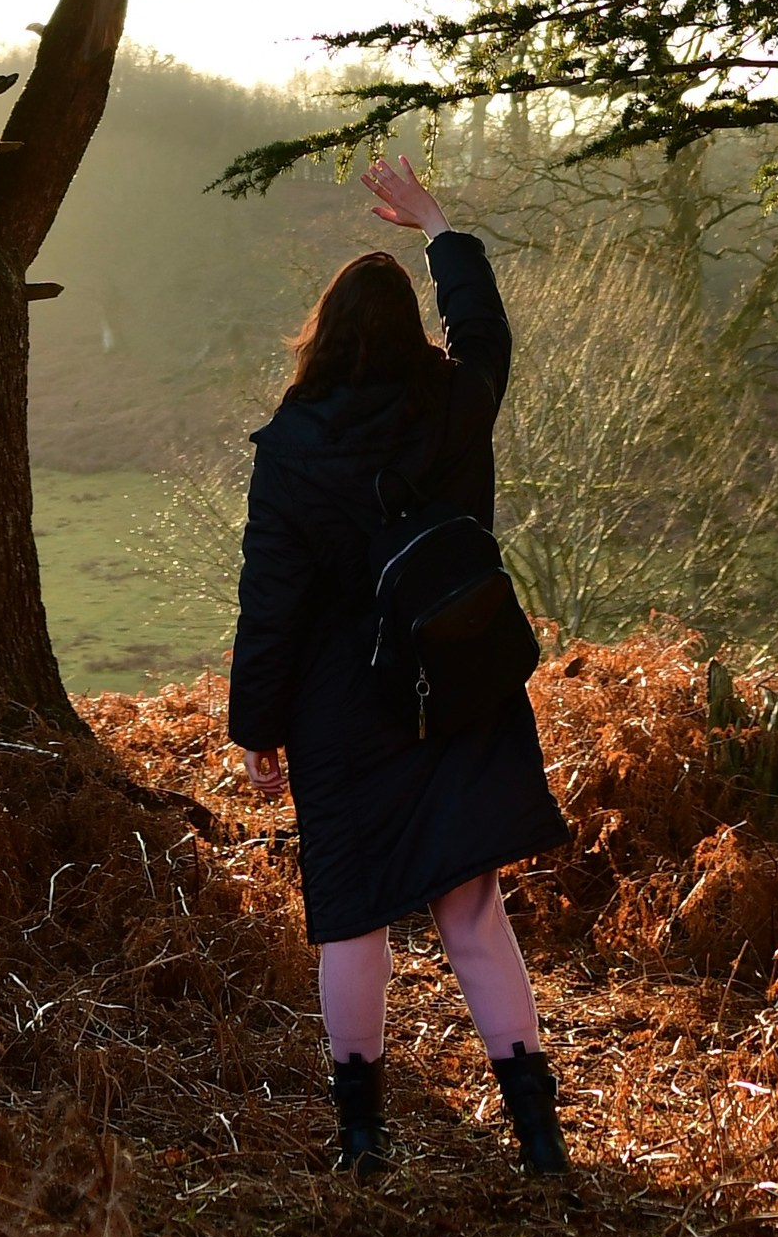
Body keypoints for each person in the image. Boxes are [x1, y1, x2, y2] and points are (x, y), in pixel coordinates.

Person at [229, 151, 572, 1180]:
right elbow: (486, 332)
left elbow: (271, 600)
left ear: (322, 336)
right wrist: (439, 228)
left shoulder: (292, 446)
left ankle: (363, 1138)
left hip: (342, 709)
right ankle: (540, 1139)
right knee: (472, 911)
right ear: (408, 332)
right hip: (458, 686)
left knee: (353, 915)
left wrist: (258, 727)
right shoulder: (454, 400)